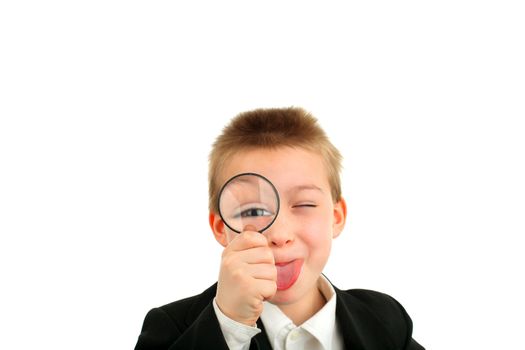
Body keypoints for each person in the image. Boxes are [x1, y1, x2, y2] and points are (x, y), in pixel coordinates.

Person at [134, 107, 424, 350]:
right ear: (222, 227)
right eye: (254, 211)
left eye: (305, 205)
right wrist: (229, 326)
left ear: (336, 217)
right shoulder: (171, 328)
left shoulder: (383, 318)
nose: (280, 235)